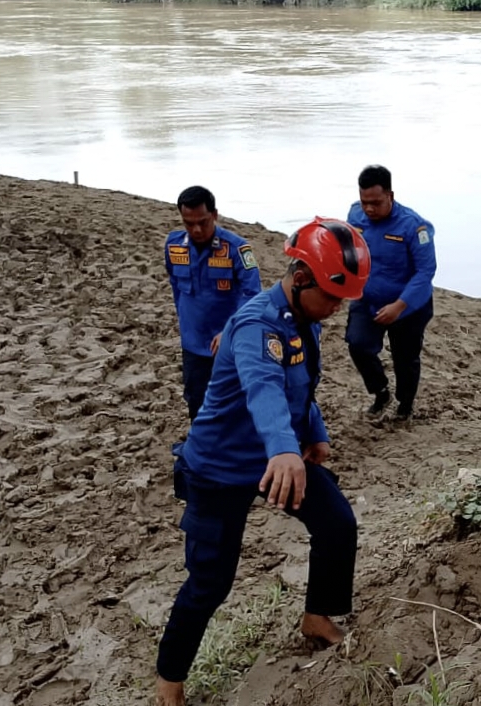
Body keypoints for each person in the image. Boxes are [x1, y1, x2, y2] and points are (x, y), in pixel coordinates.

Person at [155, 217, 371, 706]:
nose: (338, 308)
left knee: (337, 523)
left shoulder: (302, 320)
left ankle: (317, 615)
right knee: (210, 583)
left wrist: (313, 434)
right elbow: (263, 387)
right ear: (301, 278)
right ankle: (169, 680)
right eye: (333, 297)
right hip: (221, 467)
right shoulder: (257, 325)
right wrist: (283, 448)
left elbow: (299, 385)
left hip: (277, 460)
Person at [345, 165, 437, 421]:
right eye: (365, 202)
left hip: (408, 305)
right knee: (358, 345)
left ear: (390, 195)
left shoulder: (414, 227)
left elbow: (425, 271)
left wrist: (400, 305)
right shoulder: (355, 215)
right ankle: (380, 391)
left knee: (405, 358)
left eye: (376, 203)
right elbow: (346, 249)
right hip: (368, 299)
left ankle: (405, 405)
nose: (369, 209)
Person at [164, 186, 262, 421]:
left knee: (234, 403)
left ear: (215, 215)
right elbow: (176, 287)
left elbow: (252, 293)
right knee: (196, 400)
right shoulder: (174, 246)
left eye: (203, 222)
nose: (196, 229)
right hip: (193, 342)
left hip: (229, 342)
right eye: (189, 223)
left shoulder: (237, 249)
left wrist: (230, 329)